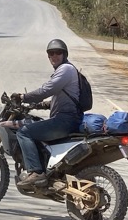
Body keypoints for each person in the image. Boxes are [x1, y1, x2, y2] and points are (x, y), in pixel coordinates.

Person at [6, 38, 90, 188]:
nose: (55, 55)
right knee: (36, 129)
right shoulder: (66, 71)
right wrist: (38, 105)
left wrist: (22, 97)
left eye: (58, 52)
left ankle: (36, 173)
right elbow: (59, 99)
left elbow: (47, 90)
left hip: (64, 121)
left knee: (24, 133)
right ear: (48, 56)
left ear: (64, 54)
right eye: (51, 53)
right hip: (68, 119)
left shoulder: (66, 69)